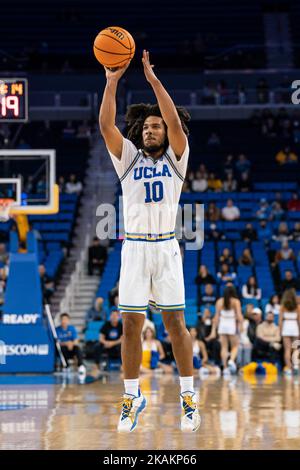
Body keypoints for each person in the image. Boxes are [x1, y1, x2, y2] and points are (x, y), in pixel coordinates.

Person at [99, 51, 200, 432]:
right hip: (135, 248)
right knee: (131, 326)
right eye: (146, 127)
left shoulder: (177, 158)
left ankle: (188, 397)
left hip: (166, 248)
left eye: (156, 127)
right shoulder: (127, 159)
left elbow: (174, 119)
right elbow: (106, 124)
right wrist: (112, 81)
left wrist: (153, 80)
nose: (151, 130)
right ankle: (131, 397)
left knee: (176, 323)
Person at [208, 286, 243, 376]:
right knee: (235, 346)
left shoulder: (219, 301)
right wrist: (241, 326)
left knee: (224, 347)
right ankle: (231, 360)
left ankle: (225, 367)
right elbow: (239, 316)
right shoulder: (236, 301)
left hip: (222, 323)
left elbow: (216, 317)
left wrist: (213, 330)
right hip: (231, 323)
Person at [279, 289, 300, 375]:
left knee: (287, 349)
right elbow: (299, 321)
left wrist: (280, 331)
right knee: (296, 348)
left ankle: (288, 367)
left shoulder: (283, 306)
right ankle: (296, 366)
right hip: (294, 326)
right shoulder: (297, 306)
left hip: (286, 326)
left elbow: (280, 321)